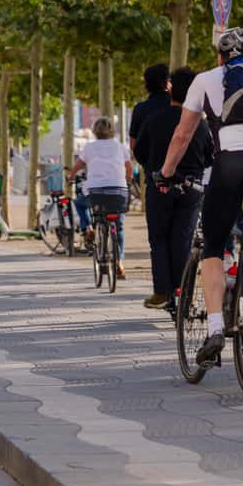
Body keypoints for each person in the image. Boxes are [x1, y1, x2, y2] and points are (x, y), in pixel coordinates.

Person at [158, 27, 243, 365]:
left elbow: (183, 133)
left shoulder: (207, 79)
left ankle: (215, 328)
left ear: (221, 55)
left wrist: (167, 171)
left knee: (214, 246)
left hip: (232, 162)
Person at [135, 67, 214, 309]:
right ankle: (183, 294)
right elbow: (210, 156)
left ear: (170, 88)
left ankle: (161, 292)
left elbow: (139, 152)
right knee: (183, 238)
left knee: (158, 238)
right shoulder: (200, 125)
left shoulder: (154, 119)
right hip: (192, 188)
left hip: (159, 185)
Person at [69, 117, 132, 278]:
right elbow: (129, 168)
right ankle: (120, 263)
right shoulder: (120, 146)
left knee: (80, 203)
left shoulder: (90, 147)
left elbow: (77, 166)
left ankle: (88, 227)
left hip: (96, 192)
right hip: (118, 191)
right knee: (119, 226)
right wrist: (128, 180)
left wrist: (70, 177)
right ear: (112, 130)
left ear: (94, 131)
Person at [129, 63, 171, 154]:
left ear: (146, 84)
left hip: (150, 164)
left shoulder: (139, 109)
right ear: (167, 82)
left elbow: (133, 144)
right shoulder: (178, 106)